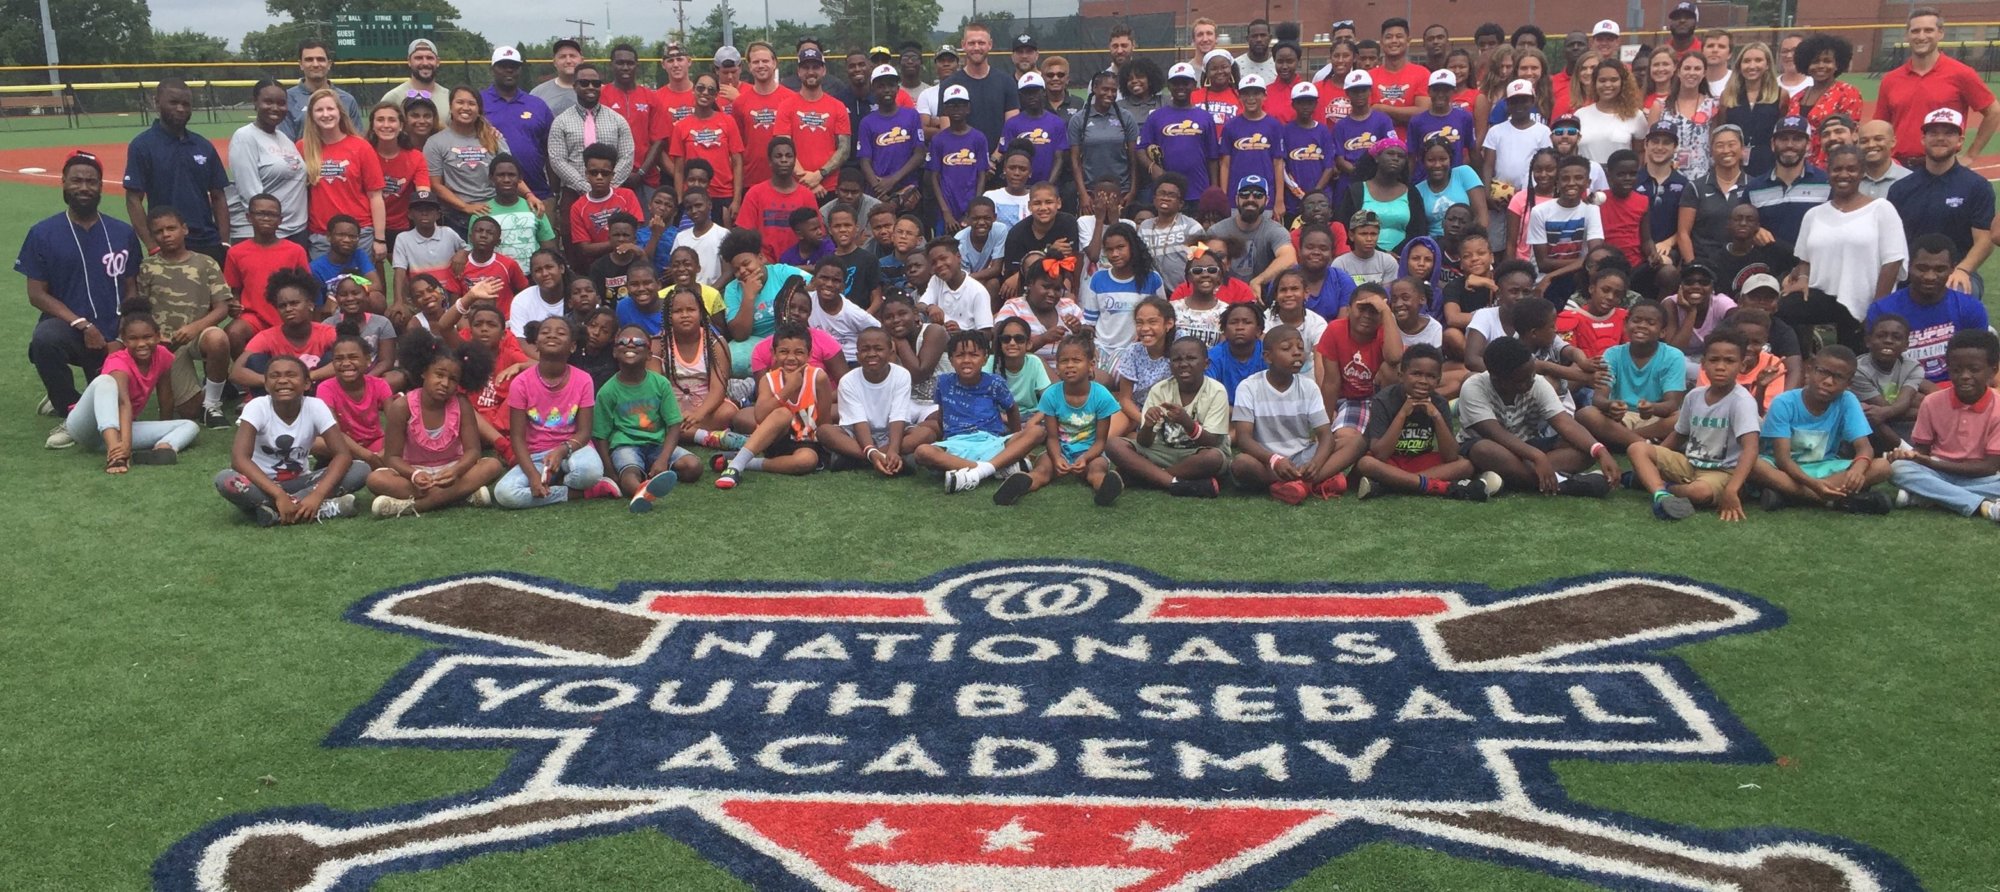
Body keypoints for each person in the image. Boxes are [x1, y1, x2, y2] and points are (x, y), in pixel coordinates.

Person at [26, 152, 142, 447]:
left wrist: (122, 332)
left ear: (101, 186)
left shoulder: (122, 232)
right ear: (63, 183)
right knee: (45, 340)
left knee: (116, 408)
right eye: (76, 180)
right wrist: (81, 324)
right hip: (72, 330)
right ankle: (67, 407)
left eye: (91, 181)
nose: (84, 187)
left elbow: (132, 288)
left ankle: (66, 398)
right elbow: (37, 293)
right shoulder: (42, 233)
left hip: (114, 333)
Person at [362, 329, 505, 516]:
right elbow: (392, 458)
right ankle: (461, 496)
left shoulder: (461, 404)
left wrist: (456, 471)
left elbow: (473, 451)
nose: (445, 383)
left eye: (453, 379)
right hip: (414, 474)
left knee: (492, 465)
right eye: (439, 375)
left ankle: (412, 506)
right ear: (423, 372)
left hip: (453, 470)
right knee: (375, 479)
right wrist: (414, 475)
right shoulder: (402, 406)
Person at [1626, 326, 1761, 520]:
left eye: (1729, 361)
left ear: (1742, 365)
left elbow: (1750, 449)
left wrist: (1732, 490)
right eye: (1714, 360)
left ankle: (1664, 487)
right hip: (1690, 463)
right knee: (1637, 448)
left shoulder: (1742, 401)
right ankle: (1660, 494)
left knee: (1699, 493)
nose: (1721, 367)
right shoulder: (1694, 396)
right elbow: (1679, 434)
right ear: (1703, 364)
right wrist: (1656, 461)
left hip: (1721, 471)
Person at [1459, 335, 1619, 496]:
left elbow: (1565, 423)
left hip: (1528, 447)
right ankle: (1564, 484)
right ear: (1497, 379)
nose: (1530, 382)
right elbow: (1496, 434)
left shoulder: (1537, 382)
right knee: (1484, 449)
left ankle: (1522, 477)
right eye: (1522, 380)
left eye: (1532, 375)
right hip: (1494, 449)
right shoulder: (1474, 387)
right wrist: (1538, 457)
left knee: (1584, 449)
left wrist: (1600, 451)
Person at [214, 354, 365, 524]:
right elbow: (239, 459)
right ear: (266, 384)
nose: (283, 381)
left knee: (360, 469)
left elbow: (342, 454)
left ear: (307, 384)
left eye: (291, 375)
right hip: (261, 484)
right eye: (274, 376)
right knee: (226, 479)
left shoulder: (315, 406)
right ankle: (315, 509)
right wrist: (278, 494)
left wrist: (317, 495)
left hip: (302, 482)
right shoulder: (257, 407)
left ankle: (276, 513)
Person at [1783, 145, 1905, 353]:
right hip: (1823, 296)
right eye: (1837, 169)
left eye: (1851, 169)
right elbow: (1805, 259)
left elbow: (1893, 262)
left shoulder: (1881, 209)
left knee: (1850, 363)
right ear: (1828, 171)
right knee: (1781, 310)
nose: (1844, 175)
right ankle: (1801, 359)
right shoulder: (1814, 214)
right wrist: (1802, 279)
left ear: (1862, 172)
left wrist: (1877, 309)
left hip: (1863, 301)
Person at [57, 298, 201, 471]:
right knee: (104, 381)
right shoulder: (118, 361)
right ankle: (115, 456)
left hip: (121, 428)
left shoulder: (162, 356)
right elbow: (123, 403)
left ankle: (163, 449)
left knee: (189, 426)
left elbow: (166, 396)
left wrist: (164, 427)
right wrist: (123, 446)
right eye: (133, 339)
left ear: (158, 336)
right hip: (86, 428)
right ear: (124, 340)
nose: (141, 344)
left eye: (147, 337)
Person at [1751, 345, 1894, 512]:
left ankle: (1790, 496)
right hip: (1784, 468)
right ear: (1809, 370)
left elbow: (1864, 448)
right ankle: (1832, 500)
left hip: (1825, 467)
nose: (1828, 381)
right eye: (1823, 372)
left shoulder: (1847, 400)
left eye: (1838, 377)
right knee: (1753, 464)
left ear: (1849, 383)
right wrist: (1814, 485)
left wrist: (1857, 469)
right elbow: (1783, 460)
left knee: (1882, 467)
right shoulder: (1784, 402)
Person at [989, 333, 1126, 506]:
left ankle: (1104, 489)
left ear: (1091, 365)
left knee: (1096, 470)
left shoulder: (1101, 396)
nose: (1069, 365)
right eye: (1064, 361)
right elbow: (1052, 437)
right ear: (1057, 367)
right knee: (1043, 470)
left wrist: (1085, 458)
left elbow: (1100, 442)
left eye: (1076, 360)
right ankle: (1022, 483)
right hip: (1058, 451)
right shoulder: (1051, 395)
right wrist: (1057, 458)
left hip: (1091, 453)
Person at [1352, 343, 1491, 499]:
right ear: (1401, 375)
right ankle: (1434, 486)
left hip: (1419, 462)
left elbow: (1451, 456)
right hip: (1391, 462)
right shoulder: (1384, 400)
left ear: (1438, 380)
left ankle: (1391, 485)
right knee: (1366, 463)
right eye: (1416, 374)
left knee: (1465, 465)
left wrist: (1437, 416)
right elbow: (1380, 454)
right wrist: (1402, 414)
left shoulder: (1439, 403)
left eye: (1431, 376)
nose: (1423, 381)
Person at [133, 208, 233, 425]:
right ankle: (199, 396)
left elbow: (222, 307)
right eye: (159, 231)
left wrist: (195, 328)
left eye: (171, 228)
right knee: (188, 411)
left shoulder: (205, 263)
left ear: (184, 229)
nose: (166, 234)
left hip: (197, 335)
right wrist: (154, 339)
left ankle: (212, 404)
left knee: (218, 338)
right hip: (166, 343)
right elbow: (140, 310)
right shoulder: (148, 267)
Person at [1889, 329, 2000, 520]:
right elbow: (1922, 450)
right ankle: (1983, 506)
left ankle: (1928, 497)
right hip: (1938, 471)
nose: (1965, 376)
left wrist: (1928, 463)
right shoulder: (1932, 402)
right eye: (1957, 370)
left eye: (1974, 369)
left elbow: (1989, 467)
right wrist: (1911, 456)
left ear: (1993, 370)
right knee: (1897, 468)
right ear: (1948, 369)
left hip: (1983, 476)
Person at [714, 320, 838, 489]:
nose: (791, 358)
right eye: (784, 352)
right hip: (777, 440)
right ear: (774, 353)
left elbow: (824, 422)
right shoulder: (769, 380)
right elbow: (760, 416)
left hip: (807, 441)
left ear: (809, 355)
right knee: (782, 414)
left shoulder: (818, 377)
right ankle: (735, 468)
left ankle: (747, 462)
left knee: (807, 460)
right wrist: (788, 389)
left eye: (799, 352)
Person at [1227, 325, 1345, 503]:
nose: (1297, 353)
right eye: (1286, 348)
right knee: (1241, 463)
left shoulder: (1309, 386)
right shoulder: (1249, 387)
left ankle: (1298, 484)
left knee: (1352, 442)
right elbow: (1244, 439)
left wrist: (1316, 464)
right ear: (1268, 357)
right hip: (1267, 461)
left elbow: (1325, 435)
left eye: (1300, 347)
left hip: (1303, 456)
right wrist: (1274, 460)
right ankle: (1312, 481)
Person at [592, 323, 701, 510]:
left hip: (657, 444)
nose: (630, 345)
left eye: (638, 342)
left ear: (650, 354)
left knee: (693, 466)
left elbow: (674, 424)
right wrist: (610, 471)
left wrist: (663, 458)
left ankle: (652, 473)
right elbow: (600, 435)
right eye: (623, 342)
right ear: (614, 353)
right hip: (626, 445)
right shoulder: (607, 391)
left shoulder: (660, 384)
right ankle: (643, 491)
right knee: (628, 476)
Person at [1888, 109, 1994, 297]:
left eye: (1948, 133)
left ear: (1960, 141)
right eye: (1933, 133)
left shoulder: (1977, 186)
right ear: (1923, 139)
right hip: (1911, 273)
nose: (1940, 138)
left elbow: (1984, 240)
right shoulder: (1901, 188)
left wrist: (1963, 270)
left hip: (1956, 271)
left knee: (1958, 293)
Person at [1876, 7, 2000, 166]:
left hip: (1942, 166)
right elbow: (1880, 125)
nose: (1921, 36)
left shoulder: (1961, 73)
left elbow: (1994, 111)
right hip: (1900, 166)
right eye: (1915, 31)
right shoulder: (1891, 79)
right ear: (1907, 35)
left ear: (1940, 33)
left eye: (1928, 30)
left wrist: (1971, 155)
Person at [124, 81, 230, 264]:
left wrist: (224, 242)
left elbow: (218, 196)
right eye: (173, 103)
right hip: (168, 245)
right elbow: (133, 199)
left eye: (186, 104)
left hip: (208, 243)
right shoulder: (142, 146)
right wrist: (152, 245)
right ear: (157, 103)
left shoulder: (203, 145)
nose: (180, 109)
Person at [1577, 300, 1687, 449]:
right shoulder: (1612, 354)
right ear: (1626, 325)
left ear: (1662, 332)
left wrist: (1651, 408)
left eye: (1650, 323)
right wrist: (1611, 405)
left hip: (1655, 418)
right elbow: (1598, 399)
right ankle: (1644, 443)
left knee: (1681, 418)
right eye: (1636, 320)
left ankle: (1620, 438)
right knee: (1587, 413)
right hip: (1620, 417)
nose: (1642, 326)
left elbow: (1672, 404)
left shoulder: (1674, 356)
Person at [300, 89, 387, 266]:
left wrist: (380, 239)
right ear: (311, 115)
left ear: (340, 111)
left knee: (363, 289)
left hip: (359, 233)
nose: (326, 114)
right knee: (327, 290)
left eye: (330, 109)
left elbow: (375, 196)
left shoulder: (360, 147)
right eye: (319, 110)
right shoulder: (303, 148)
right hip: (322, 235)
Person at [230, 81, 310, 244]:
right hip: (262, 234)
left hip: (294, 230)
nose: (275, 108)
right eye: (268, 102)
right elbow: (250, 193)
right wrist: (269, 232)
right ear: (255, 102)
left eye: (281, 103)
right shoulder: (245, 137)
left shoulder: (283, 138)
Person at [549, 62, 637, 206]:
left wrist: (609, 186)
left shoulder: (617, 120)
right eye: (584, 83)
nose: (591, 87)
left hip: (613, 193)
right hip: (574, 193)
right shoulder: (561, 122)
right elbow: (557, 160)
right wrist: (585, 187)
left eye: (596, 83)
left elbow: (627, 156)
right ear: (574, 86)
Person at [479, 48, 554, 202]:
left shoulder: (537, 105)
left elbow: (551, 152)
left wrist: (554, 191)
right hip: (490, 196)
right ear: (493, 69)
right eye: (503, 65)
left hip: (537, 191)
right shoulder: (479, 102)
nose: (509, 70)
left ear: (520, 69)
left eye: (514, 66)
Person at [1745, 116, 1827, 248]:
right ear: (1773, 144)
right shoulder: (1754, 188)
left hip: (1813, 265)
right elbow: (1743, 225)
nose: (1789, 145)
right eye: (1783, 139)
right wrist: (1755, 231)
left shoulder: (1826, 183)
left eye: (1797, 139)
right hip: (1768, 265)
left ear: (1808, 145)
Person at [1676, 125, 1749, 271]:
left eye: (1732, 144)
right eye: (1720, 146)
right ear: (1711, 151)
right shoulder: (1696, 187)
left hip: (1743, 263)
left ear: (1742, 149)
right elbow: (1683, 233)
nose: (1726, 150)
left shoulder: (1753, 186)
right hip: (1704, 264)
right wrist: (1694, 267)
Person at [1141, 63, 1219, 200]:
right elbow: (1141, 149)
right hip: (1166, 191)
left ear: (1194, 85)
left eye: (1185, 83)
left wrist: (1214, 188)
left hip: (1199, 189)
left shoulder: (1205, 117)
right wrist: (1153, 167)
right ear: (1169, 86)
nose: (1180, 87)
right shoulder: (1156, 116)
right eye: (1176, 83)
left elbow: (1212, 157)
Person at [1336, 140, 1427, 255]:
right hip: (1364, 259)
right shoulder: (1356, 191)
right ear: (1377, 158)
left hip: (1402, 258)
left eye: (1401, 156)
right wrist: (1380, 255)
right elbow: (1346, 228)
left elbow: (1418, 230)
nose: (1395, 158)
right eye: (1390, 153)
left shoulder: (1411, 192)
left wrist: (1396, 254)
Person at [1786, 35, 1862, 169]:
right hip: (1798, 165)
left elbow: (1849, 134)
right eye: (1815, 61)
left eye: (1827, 61)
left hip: (1833, 165)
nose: (1821, 66)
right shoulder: (1797, 97)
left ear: (1837, 64)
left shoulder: (1847, 93)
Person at [943, 23, 1020, 148]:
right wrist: (971, 159)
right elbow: (947, 132)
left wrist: (996, 157)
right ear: (963, 45)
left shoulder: (1007, 82)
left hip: (999, 162)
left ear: (990, 44)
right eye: (972, 43)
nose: (976, 47)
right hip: (963, 161)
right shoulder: (949, 85)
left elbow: (1012, 128)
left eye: (981, 43)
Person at [1649, 52, 1717, 181]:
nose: (1691, 73)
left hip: (1702, 178)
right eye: (1687, 68)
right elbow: (1649, 147)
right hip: (1667, 178)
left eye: (1697, 69)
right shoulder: (1660, 106)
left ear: (1704, 73)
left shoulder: (1712, 106)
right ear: (1678, 72)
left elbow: (1714, 144)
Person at [1482, 79, 1553, 193]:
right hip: (1500, 193)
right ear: (1507, 104)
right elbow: (1488, 166)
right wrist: (1487, 192)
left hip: (1531, 193)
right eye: (1514, 101)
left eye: (1524, 100)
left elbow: (1546, 164)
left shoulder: (1543, 132)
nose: (1519, 105)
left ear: (1532, 101)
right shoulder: (1495, 131)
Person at [1576, 60, 1647, 165]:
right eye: (1602, 80)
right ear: (1595, 83)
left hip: (1621, 179)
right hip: (1588, 178)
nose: (1608, 85)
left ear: (1623, 82)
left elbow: (1640, 152)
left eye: (1614, 80)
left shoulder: (1636, 115)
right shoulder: (1580, 115)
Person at [534, 38, 585, 117]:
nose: (568, 61)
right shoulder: (538, 93)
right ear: (554, 62)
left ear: (582, 60)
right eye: (562, 57)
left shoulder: (598, 90)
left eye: (572, 56)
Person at [380, 38, 441, 105]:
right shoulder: (393, 98)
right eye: (418, 58)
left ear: (437, 62)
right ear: (409, 61)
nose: (425, 63)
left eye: (430, 58)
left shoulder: (448, 97)